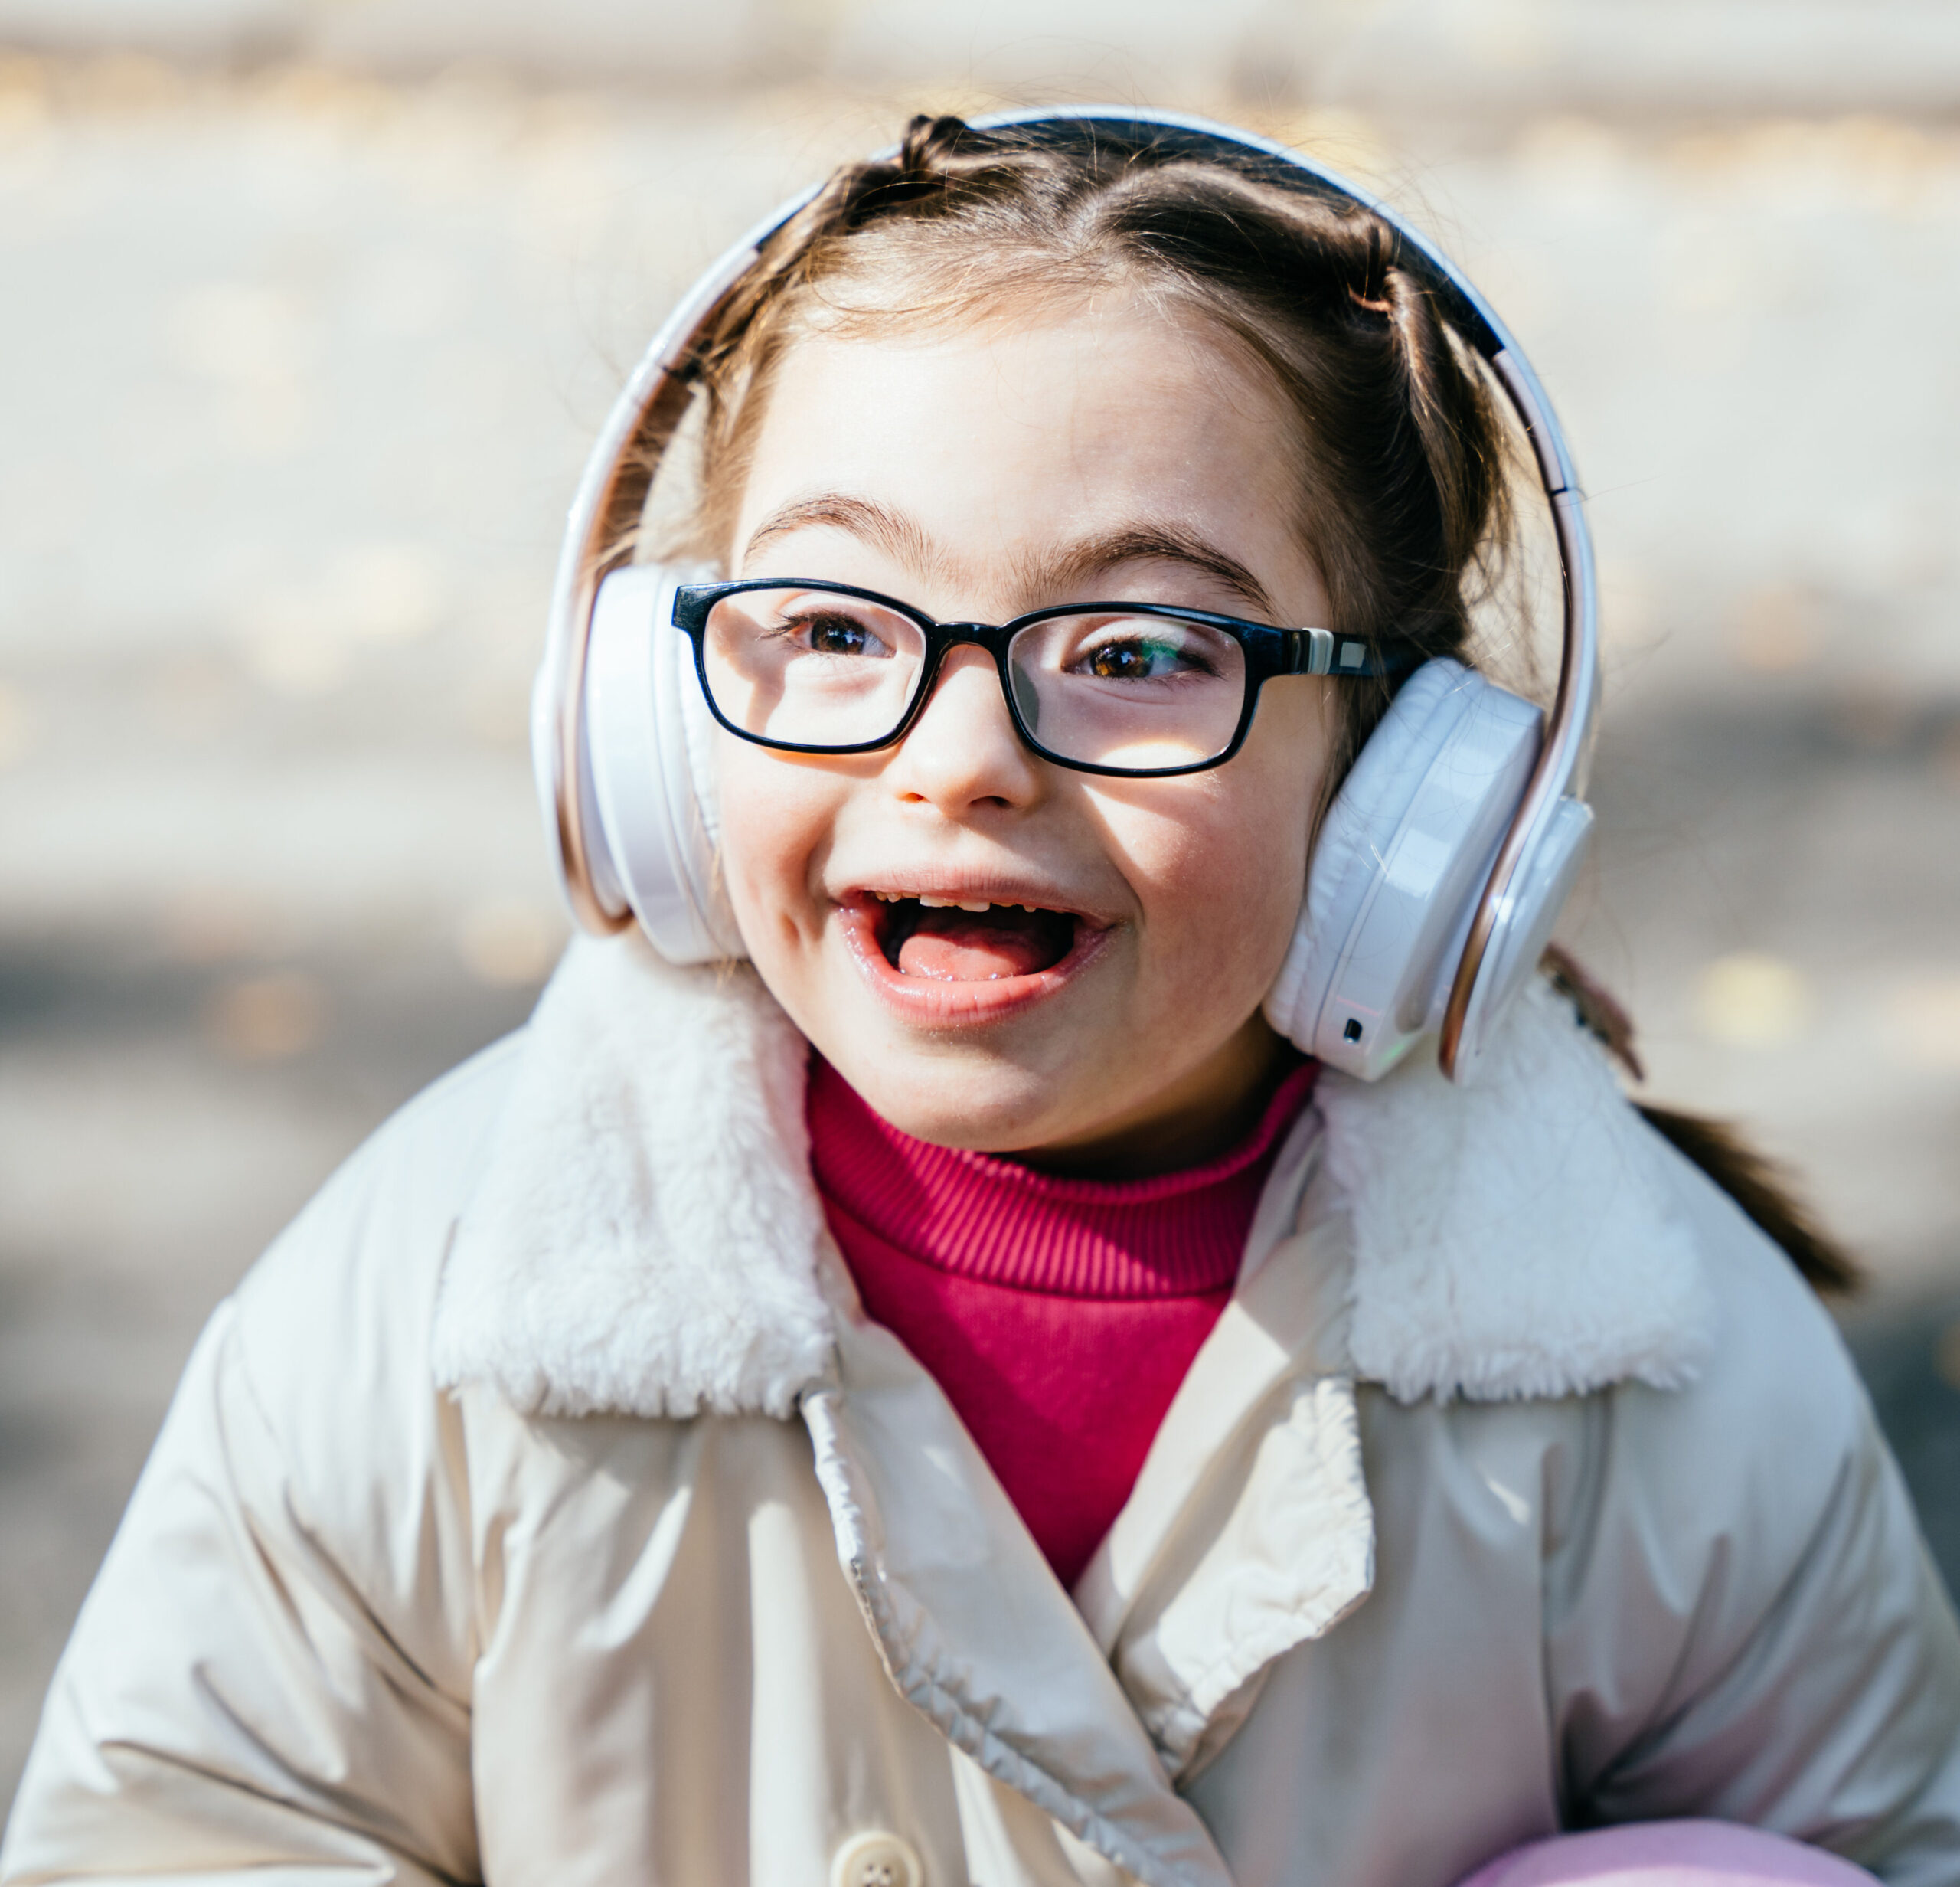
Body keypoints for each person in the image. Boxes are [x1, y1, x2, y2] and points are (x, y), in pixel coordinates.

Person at [5, 110, 1957, 1887]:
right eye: (835, 626)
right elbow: (191, 1824)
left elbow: (1871, 1824)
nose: (958, 759)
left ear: (1402, 789)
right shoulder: (440, 1296)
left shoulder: (1632, 1352)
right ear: (646, 720)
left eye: (1134, 645)